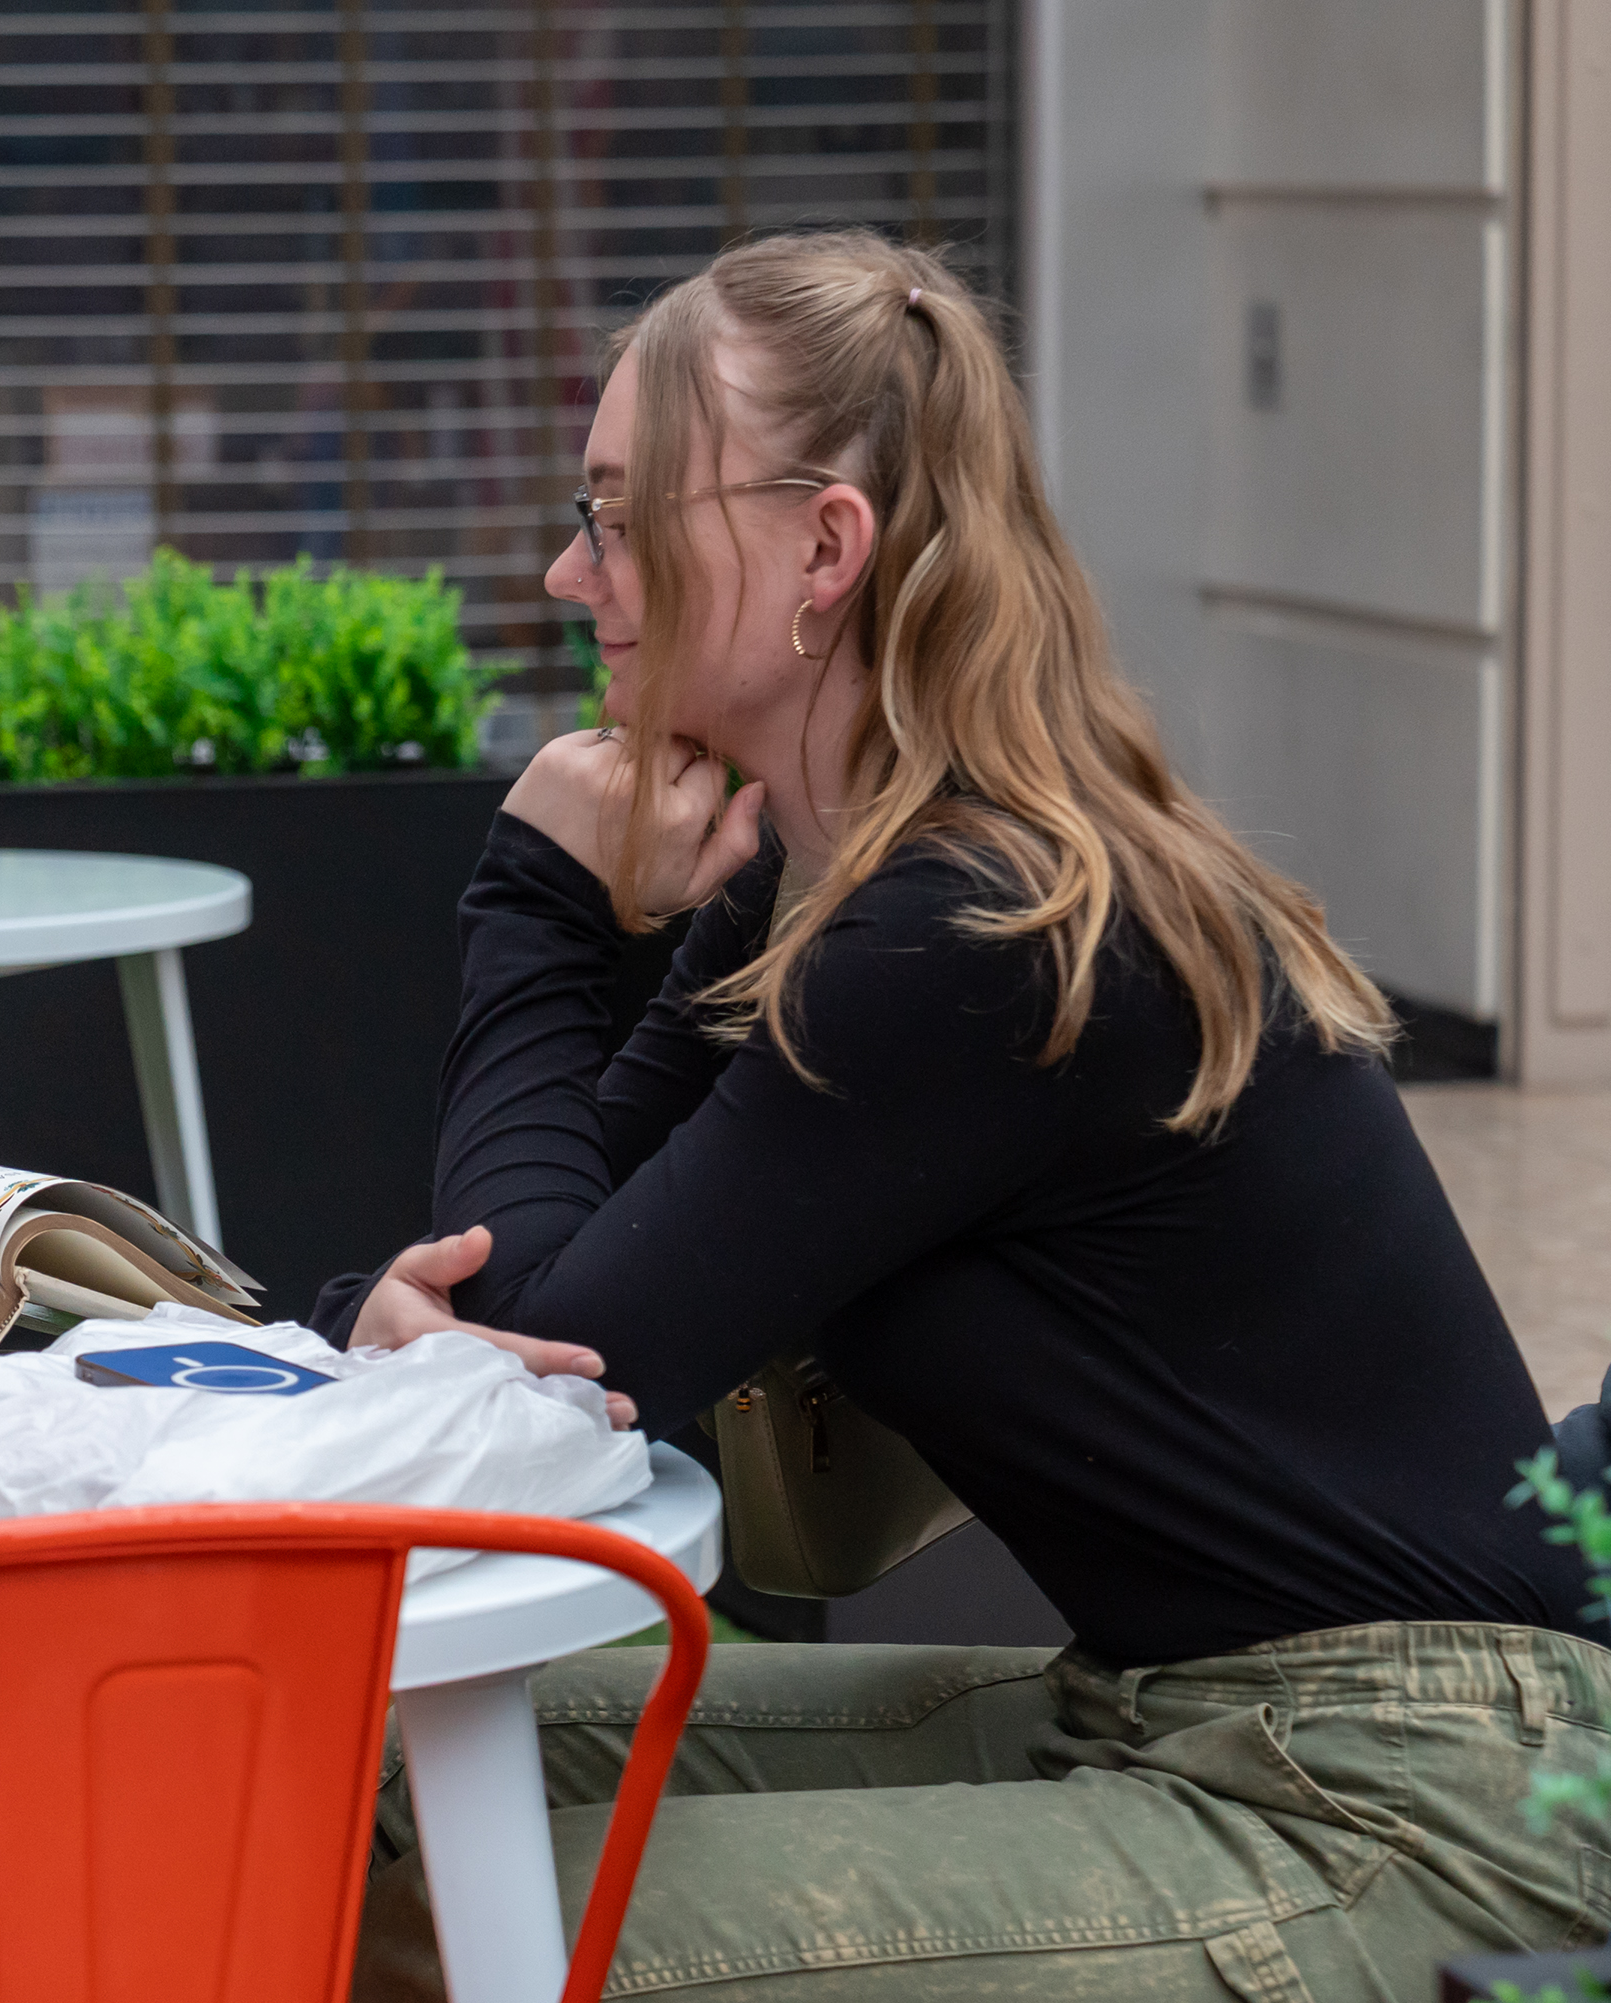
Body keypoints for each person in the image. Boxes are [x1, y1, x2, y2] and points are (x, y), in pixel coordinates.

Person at [323, 231, 1609, 1999]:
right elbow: (532, 1316)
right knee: (376, 1755)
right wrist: (421, 1327)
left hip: (1417, 1789)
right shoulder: (841, 895)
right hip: (1172, 1710)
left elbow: (553, 1361)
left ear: (822, 551)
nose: (569, 573)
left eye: (620, 518)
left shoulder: (968, 934)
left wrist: (537, 910)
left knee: (496, 1935)